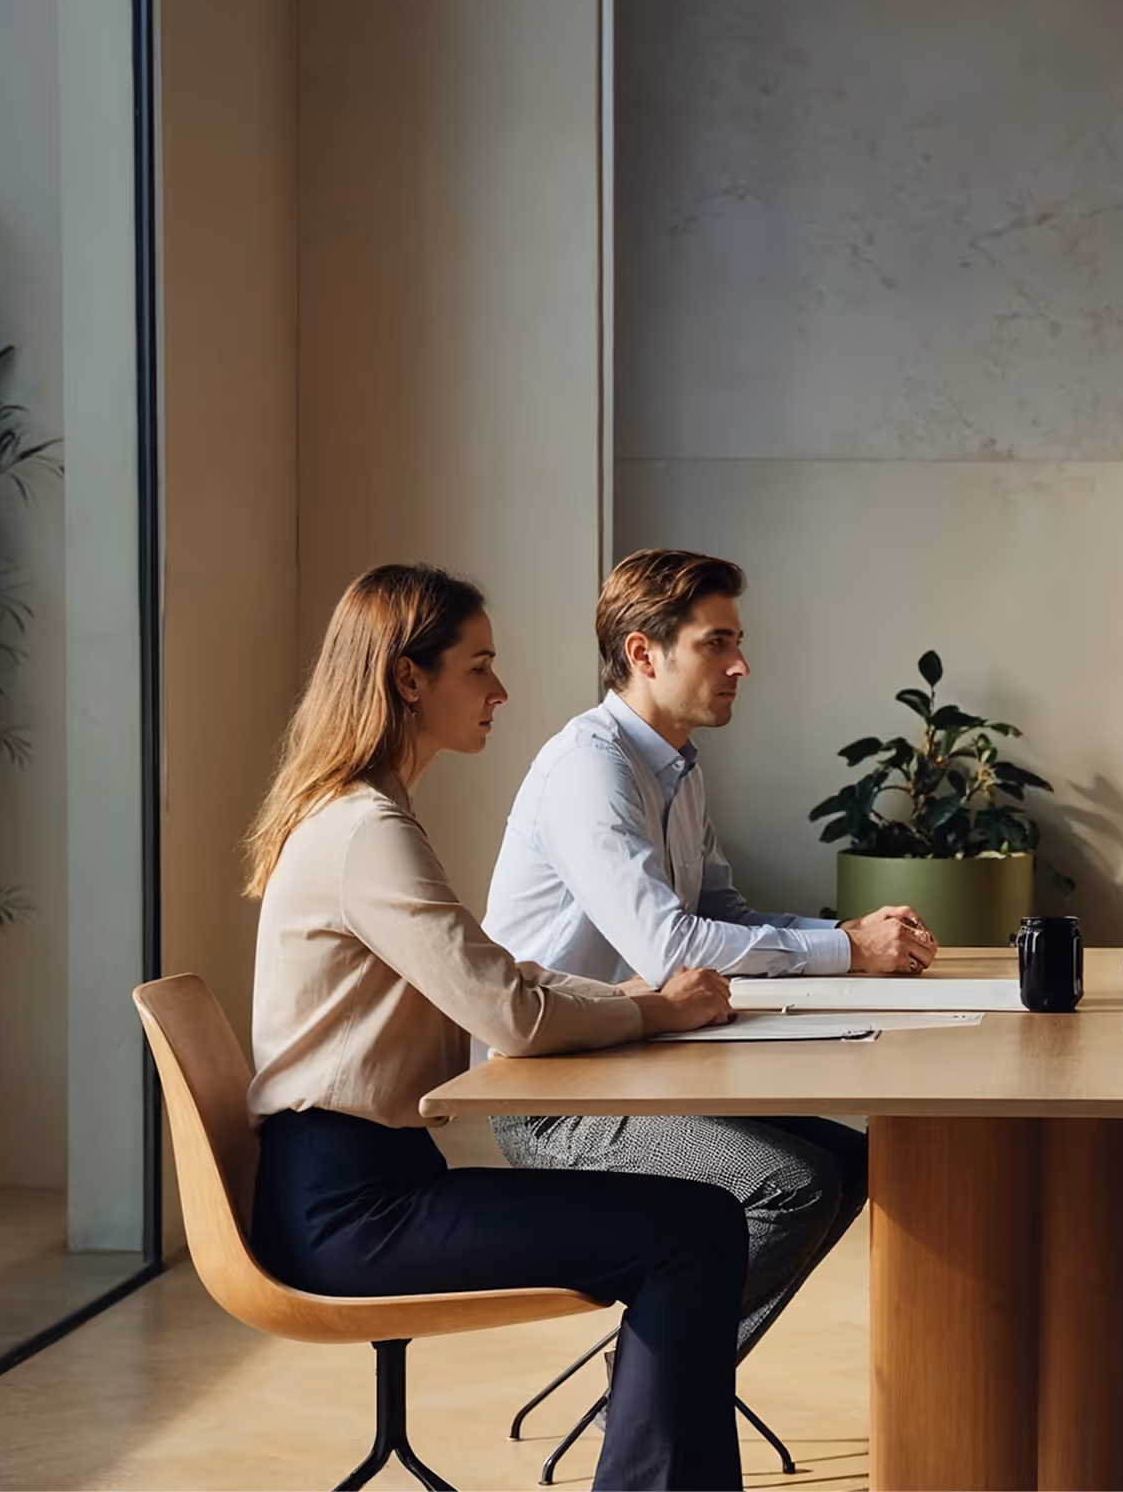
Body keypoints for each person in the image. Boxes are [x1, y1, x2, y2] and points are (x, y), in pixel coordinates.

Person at [243, 563, 746, 1491]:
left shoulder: (365, 816)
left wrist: (641, 1003)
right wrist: (650, 1009)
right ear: (409, 678)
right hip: (351, 1211)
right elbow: (509, 1013)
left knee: (699, 1224)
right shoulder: (365, 830)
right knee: (695, 1231)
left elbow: (499, 972)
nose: (500, 691)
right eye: (479, 667)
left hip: (367, 1184)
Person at [484, 548, 936, 1365]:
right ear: (643, 653)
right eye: (716, 644)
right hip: (555, 1093)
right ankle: (645, 1396)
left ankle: (661, 1392)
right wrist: (845, 951)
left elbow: (723, 915)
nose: (740, 666)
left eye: (738, 642)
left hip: (632, 1064)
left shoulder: (675, 768)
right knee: (793, 1185)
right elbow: (670, 948)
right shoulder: (591, 768)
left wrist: (850, 938)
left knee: (852, 1162)